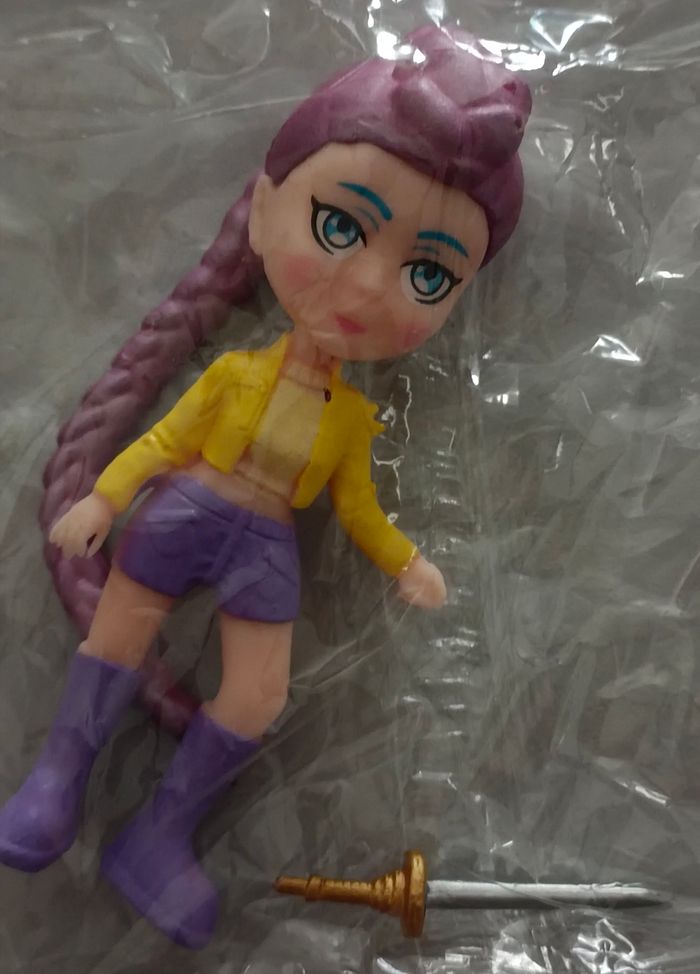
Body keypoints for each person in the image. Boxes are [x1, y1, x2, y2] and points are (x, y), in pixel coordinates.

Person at [0, 25, 531, 949]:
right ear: (262, 210)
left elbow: (356, 506)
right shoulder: (234, 374)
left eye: (426, 274)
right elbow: (163, 439)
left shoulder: (353, 420)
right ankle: (56, 782)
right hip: (188, 507)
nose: (366, 286)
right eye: (339, 227)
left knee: (257, 697)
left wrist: (404, 562)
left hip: (265, 545)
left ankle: (159, 834)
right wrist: (104, 499)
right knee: (119, 631)